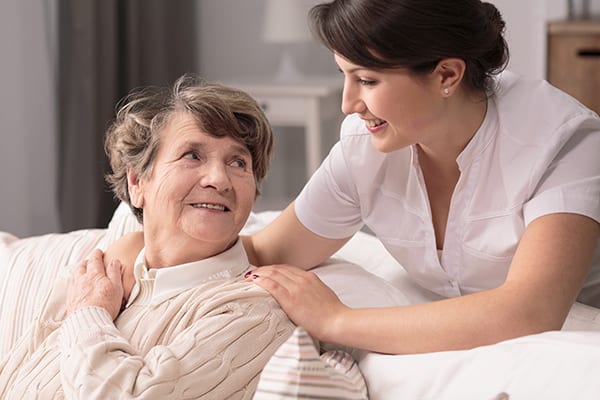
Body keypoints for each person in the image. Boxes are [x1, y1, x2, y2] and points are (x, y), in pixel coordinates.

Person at [106, 0, 600, 356]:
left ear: (448, 74)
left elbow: (531, 312)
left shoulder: (564, 142)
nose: (348, 103)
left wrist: (338, 320)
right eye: (345, 75)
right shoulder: (367, 146)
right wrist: (142, 251)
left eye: (367, 80)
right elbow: (268, 252)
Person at [0, 75, 294, 398]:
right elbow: (15, 378)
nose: (219, 179)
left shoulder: (250, 314)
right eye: (193, 155)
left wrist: (88, 314)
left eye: (238, 162)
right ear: (138, 182)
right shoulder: (99, 275)